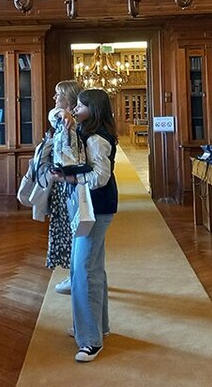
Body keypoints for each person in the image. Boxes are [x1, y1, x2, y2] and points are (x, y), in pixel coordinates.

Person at [55, 88, 118, 363]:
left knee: (83, 271)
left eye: (80, 106)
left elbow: (100, 178)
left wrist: (70, 179)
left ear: (93, 110)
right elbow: (56, 114)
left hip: (96, 208)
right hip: (92, 207)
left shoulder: (97, 139)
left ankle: (91, 340)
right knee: (93, 268)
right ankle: (98, 327)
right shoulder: (85, 131)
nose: (75, 110)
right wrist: (65, 116)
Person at [46, 80, 82, 294]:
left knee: (73, 231)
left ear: (68, 99)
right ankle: (73, 274)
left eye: (58, 94)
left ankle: (76, 277)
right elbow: (52, 114)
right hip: (63, 183)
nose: (54, 98)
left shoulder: (74, 124)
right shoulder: (62, 118)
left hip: (71, 184)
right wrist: (61, 112)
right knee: (67, 229)